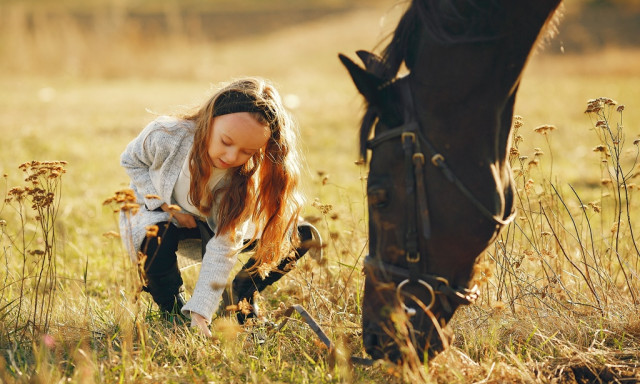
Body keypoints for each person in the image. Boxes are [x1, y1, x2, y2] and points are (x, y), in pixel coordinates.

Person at [119, 77, 321, 336]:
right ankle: (172, 309)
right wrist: (164, 206)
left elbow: (223, 248)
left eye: (247, 152)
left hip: (211, 225)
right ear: (209, 118)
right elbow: (132, 160)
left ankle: (242, 292)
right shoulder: (167, 135)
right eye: (226, 142)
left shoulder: (243, 180)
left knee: (297, 237)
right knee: (154, 240)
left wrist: (201, 312)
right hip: (162, 217)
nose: (231, 157)